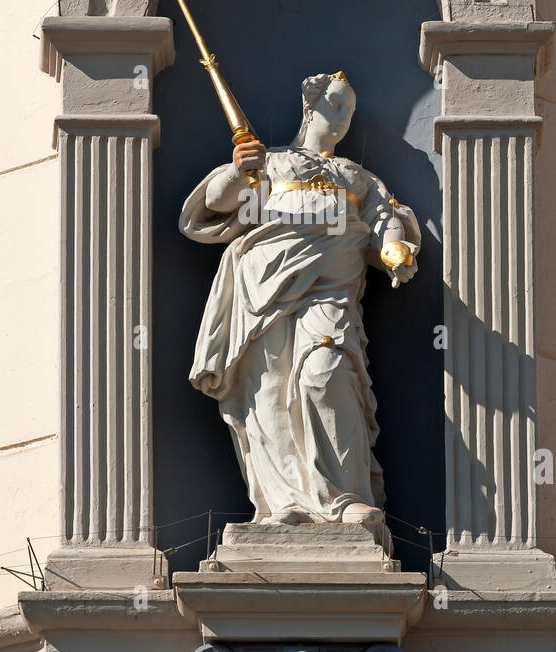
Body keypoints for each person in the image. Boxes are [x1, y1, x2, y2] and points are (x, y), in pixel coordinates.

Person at [180, 71, 420, 526]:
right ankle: (284, 500)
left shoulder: (355, 175)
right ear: (310, 105)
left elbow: (384, 215)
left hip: (332, 289)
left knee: (324, 374)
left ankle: (343, 496)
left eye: (350, 110)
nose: (345, 117)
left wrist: (394, 246)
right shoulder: (271, 161)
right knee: (267, 387)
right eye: (337, 105)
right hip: (264, 284)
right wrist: (238, 168)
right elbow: (216, 202)